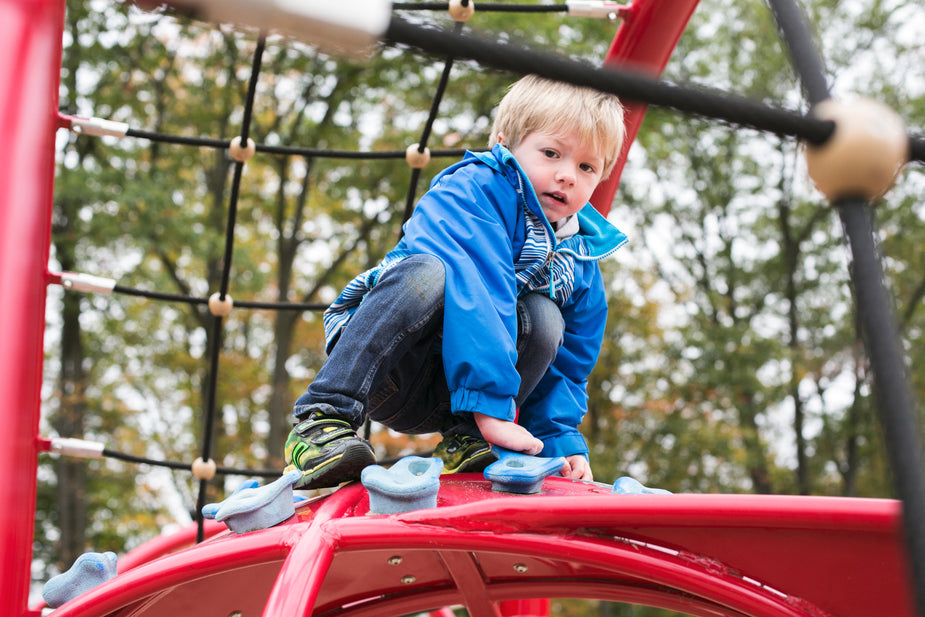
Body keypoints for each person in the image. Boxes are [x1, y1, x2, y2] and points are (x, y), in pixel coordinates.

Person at [284, 74, 627, 490]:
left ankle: (465, 439)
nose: (568, 175)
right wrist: (493, 409)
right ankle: (322, 419)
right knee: (427, 274)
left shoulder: (580, 256)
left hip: (459, 396)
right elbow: (479, 290)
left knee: (546, 316)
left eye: (586, 166)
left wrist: (562, 441)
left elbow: (570, 364)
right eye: (551, 153)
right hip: (391, 366)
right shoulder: (471, 190)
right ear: (505, 145)